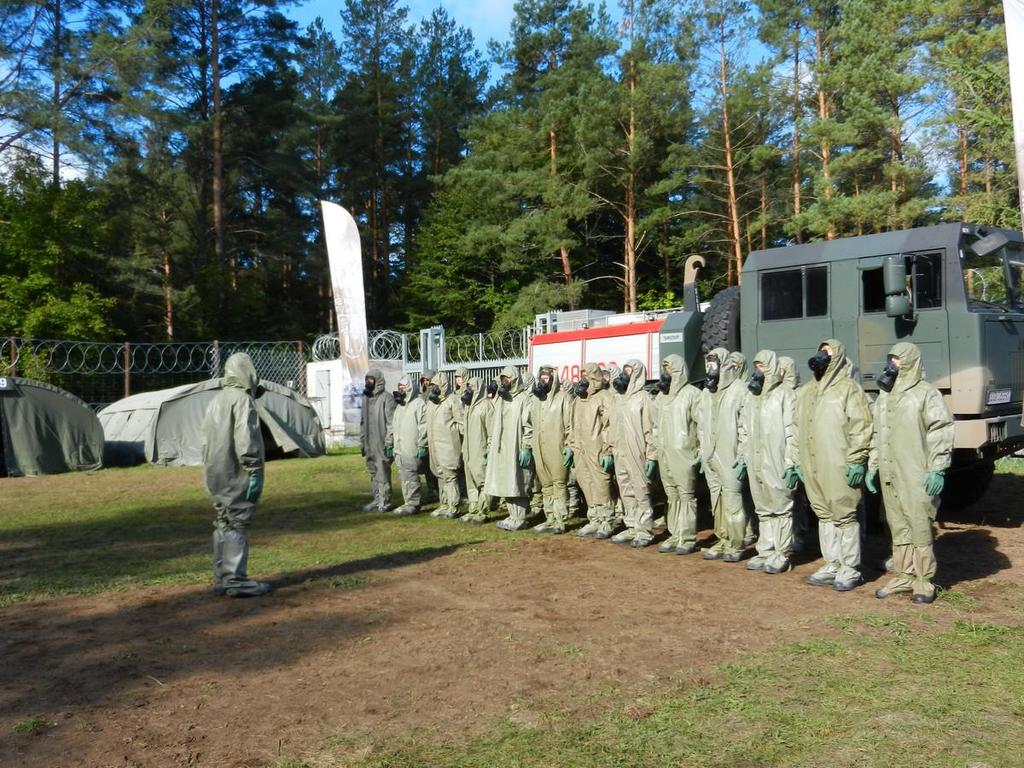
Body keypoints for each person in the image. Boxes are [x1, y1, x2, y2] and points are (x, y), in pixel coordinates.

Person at [868, 342, 954, 604]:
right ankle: (904, 575)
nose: (892, 364)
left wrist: (937, 468)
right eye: (890, 358)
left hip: (917, 472)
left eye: (898, 359)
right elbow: (877, 434)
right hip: (890, 473)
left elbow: (941, 429)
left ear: (910, 361)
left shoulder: (926, 394)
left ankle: (924, 581)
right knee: (897, 524)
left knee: (918, 524)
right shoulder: (885, 395)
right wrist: (873, 465)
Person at [796, 339, 873, 591]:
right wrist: (797, 461)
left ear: (837, 357)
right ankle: (832, 562)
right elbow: (797, 428)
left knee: (844, 513)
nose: (822, 356)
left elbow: (861, 427)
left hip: (839, 462)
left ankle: (850, 568)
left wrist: (858, 460)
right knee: (824, 513)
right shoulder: (806, 391)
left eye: (827, 353)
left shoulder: (848, 389)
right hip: (813, 463)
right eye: (821, 351)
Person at [202, 352, 270, 597]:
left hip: (214, 473)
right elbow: (246, 440)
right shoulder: (242, 401)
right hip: (236, 471)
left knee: (222, 522)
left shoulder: (216, 400)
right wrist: (253, 470)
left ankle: (221, 577)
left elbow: (205, 441)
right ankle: (235, 580)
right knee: (237, 524)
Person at [736, 350, 798, 574]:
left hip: (777, 460)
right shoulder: (750, 397)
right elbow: (744, 430)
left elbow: (793, 431)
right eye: (756, 365)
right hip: (756, 461)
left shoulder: (785, 394)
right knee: (763, 507)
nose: (758, 370)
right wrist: (742, 456)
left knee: (781, 507)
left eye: (762, 365)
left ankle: (781, 552)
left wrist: (792, 462)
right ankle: (765, 550)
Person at [698, 349, 748, 562]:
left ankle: (736, 544)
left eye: (715, 364)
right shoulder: (706, 393)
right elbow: (701, 425)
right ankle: (722, 538)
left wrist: (742, 455)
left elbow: (745, 427)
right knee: (716, 500)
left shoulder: (739, 390)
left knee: (733, 500)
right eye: (708, 364)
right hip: (710, 456)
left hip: (730, 455)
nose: (711, 369)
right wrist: (703, 453)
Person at [652, 354, 701, 555]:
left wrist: (699, 450)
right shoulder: (661, 397)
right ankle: (674, 533)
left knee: (686, 494)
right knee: (671, 495)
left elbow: (701, 424)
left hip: (684, 453)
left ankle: (687, 537)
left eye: (670, 369)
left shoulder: (692, 394)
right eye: (664, 369)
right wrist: (656, 449)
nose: (667, 373)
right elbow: (656, 426)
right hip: (665, 452)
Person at [608, 359, 657, 547]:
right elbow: (610, 425)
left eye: (629, 371)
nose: (625, 375)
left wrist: (652, 455)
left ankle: (645, 530)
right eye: (624, 371)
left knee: (640, 489)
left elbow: (650, 429)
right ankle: (631, 525)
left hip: (637, 450)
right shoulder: (617, 398)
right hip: (619, 450)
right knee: (625, 488)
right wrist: (610, 447)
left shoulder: (643, 398)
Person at [485, 365, 534, 531]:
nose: (505, 381)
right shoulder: (501, 399)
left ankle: (519, 517)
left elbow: (529, 425)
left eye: (508, 378)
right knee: (505, 480)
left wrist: (526, 446)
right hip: (501, 447)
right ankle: (512, 515)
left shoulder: (524, 399)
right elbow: (494, 423)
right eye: (503, 378)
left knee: (518, 480)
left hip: (516, 446)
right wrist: (491, 443)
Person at [571, 362, 616, 538]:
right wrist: (571, 445)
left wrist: (607, 450)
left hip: (597, 448)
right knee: (585, 481)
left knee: (601, 483)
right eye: (582, 375)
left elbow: (609, 425)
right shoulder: (578, 400)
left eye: (587, 375)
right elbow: (573, 424)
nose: (583, 379)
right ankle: (594, 518)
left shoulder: (604, 397)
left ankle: (607, 520)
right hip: (580, 449)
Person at [530, 366, 573, 534]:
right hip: (539, 447)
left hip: (557, 446)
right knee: (546, 485)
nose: (543, 381)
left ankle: (560, 520)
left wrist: (569, 445)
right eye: (541, 378)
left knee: (559, 483)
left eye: (546, 379)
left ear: (553, 379)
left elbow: (570, 425)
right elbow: (530, 424)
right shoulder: (535, 400)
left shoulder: (563, 398)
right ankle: (549, 518)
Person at [426, 372, 463, 518]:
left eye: (436, 385)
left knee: (450, 476)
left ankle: (453, 506)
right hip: (434, 445)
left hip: (448, 445)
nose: (434, 388)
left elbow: (461, 422)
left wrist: (462, 442)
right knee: (439, 475)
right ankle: (444, 504)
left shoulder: (453, 400)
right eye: (432, 385)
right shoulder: (431, 402)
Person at [390, 375, 426, 515]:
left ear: (410, 387)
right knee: (403, 475)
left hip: (412, 446)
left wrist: (423, 445)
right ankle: (407, 502)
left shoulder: (418, 403)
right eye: (399, 387)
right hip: (399, 447)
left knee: (411, 475)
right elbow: (394, 425)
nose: (401, 390)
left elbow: (423, 426)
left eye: (403, 387)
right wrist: (390, 443)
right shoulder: (400, 406)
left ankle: (413, 503)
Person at [360, 367, 395, 513]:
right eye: (367, 379)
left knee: (382, 470)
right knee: (373, 470)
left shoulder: (387, 398)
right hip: (369, 442)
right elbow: (363, 422)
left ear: (377, 381)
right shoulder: (366, 398)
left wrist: (389, 441)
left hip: (381, 442)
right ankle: (376, 498)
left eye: (371, 380)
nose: (369, 382)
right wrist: (362, 441)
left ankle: (385, 500)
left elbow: (391, 422)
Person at [459, 375, 492, 524]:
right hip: (468, 449)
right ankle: (473, 509)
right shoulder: (468, 407)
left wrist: (489, 450)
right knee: (470, 481)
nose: (469, 390)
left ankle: (482, 510)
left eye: (472, 387)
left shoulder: (486, 406)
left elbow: (491, 431)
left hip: (481, 449)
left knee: (483, 481)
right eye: (468, 387)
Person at [418, 369, 440, 503]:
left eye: (429, 380)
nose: (426, 383)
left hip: (436, 432)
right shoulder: (422, 396)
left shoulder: (436, 395)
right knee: (427, 465)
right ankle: (432, 491)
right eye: (424, 381)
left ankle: (439, 491)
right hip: (425, 432)